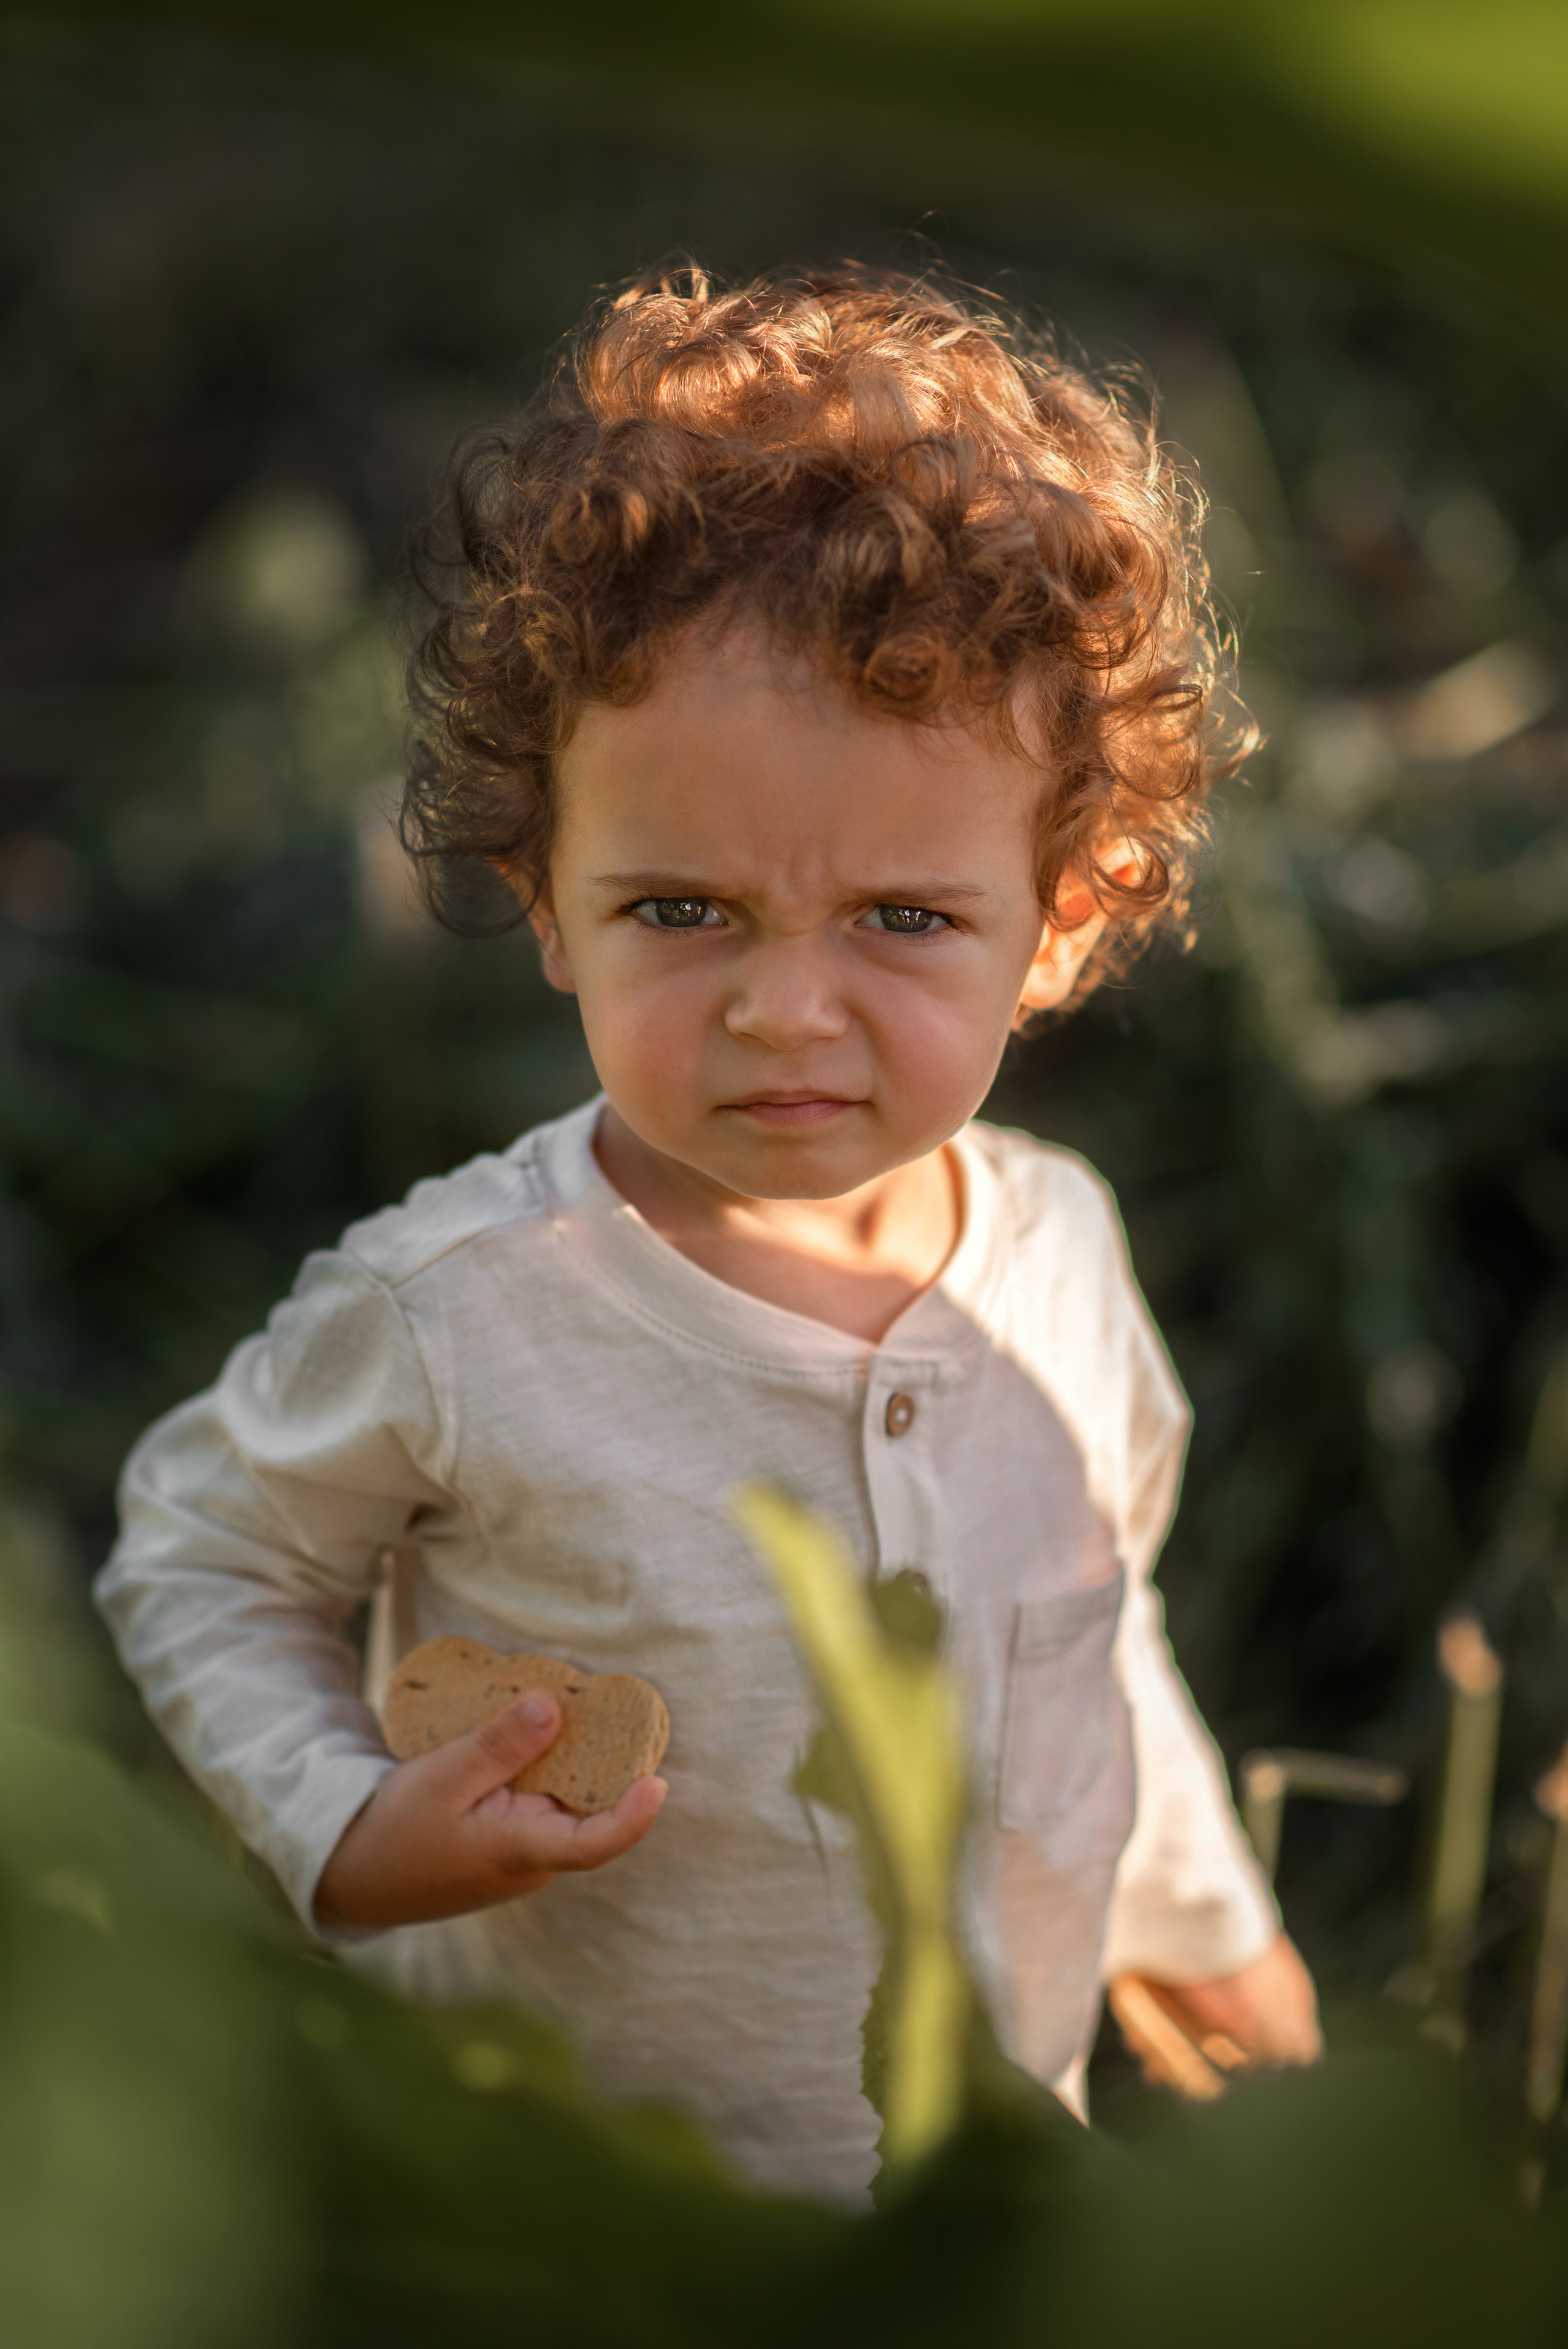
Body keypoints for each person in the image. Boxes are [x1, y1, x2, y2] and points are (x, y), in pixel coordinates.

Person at [97, 267, 1320, 2200]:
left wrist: (1204, 1924)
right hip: (578, 2214)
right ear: (547, 896)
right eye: (682, 910)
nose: (784, 1011)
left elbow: (1102, 1643)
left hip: (985, 2209)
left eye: (903, 919)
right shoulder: (461, 1310)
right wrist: (345, 1820)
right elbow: (202, 1547)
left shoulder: (1064, 1264)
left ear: (1065, 918)